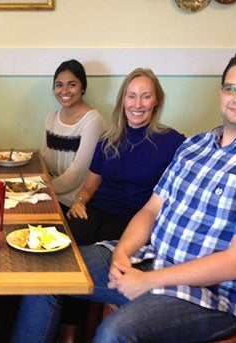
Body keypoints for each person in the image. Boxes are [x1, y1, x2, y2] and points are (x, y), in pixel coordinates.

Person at [12, 47, 236, 342]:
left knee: (115, 332)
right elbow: (150, 210)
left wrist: (148, 281)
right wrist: (122, 255)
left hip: (211, 298)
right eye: (231, 88)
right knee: (45, 272)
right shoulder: (195, 148)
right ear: (221, 92)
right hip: (150, 259)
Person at [58, 68, 185, 342]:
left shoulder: (173, 142)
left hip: (134, 219)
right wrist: (79, 202)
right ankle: (68, 329)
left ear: (156, 102)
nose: (137, 104)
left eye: (145, 96)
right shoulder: (109, 138)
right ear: (123, 101)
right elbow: (90, 186)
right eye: (132, 96)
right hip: (98, 209)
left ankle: (74, 330)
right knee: (64, 245)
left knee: (85, 259)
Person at [41, 59, 105, 212]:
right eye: (59, 85)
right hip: (51, 193)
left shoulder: (93, 121)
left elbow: (77, 174)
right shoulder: (51, 117)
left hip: (77, 201)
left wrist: (42, 189)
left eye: (72, 84)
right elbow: (43, 159)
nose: (64, 91)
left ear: (83, 88)